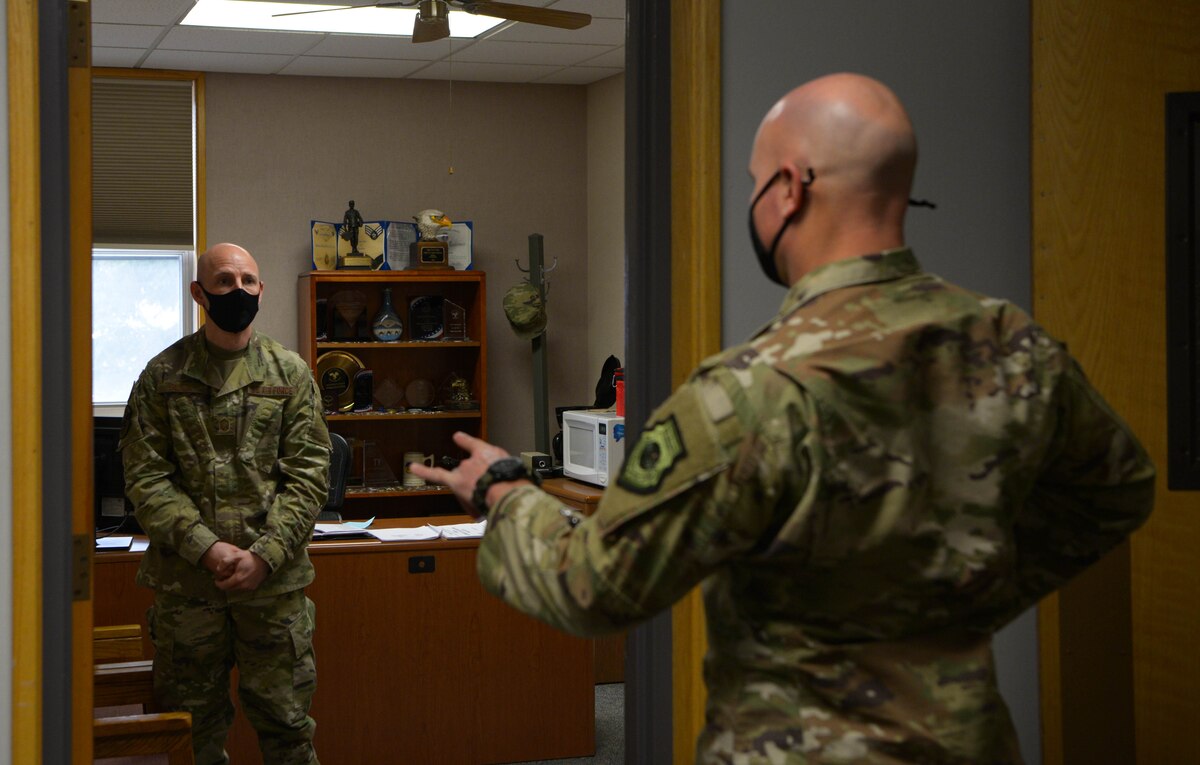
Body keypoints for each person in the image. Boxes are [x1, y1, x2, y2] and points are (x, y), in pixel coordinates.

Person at [410, 72, 1156, 764]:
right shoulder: (1014, 344)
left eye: (753, 183)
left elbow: (595, 587)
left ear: (790, 188)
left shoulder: (752, 390)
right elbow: (1117, 489)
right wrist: (972, 586)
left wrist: (503, 492)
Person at [120, 242, 331, 765]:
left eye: (248, 282)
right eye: (224, 282)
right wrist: (208, 549)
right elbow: (146, 478)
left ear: (261, 290)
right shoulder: (162, 376)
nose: (238, 291)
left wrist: (264, 555)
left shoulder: (290, 374)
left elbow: (308, 475)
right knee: (191, 735)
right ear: (200, 293)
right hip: (190, 588)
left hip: (274, 591)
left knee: (288, 733)